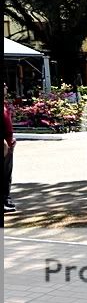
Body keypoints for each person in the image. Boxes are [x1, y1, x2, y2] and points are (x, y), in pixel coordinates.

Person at [3, 82, 17, 213]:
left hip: (8, 145)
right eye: (3, 85)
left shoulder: (4, 104)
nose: (6, 88)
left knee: (7, 175)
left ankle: (6, 199)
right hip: (3, 146)